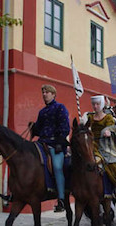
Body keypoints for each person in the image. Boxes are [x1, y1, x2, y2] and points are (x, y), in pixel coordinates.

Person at [83, 95, 116, 199]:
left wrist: (109, 131)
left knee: (112, 162)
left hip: (106, 145)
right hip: (92, 144)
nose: (95, 106)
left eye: (97, 104)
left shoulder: (108, 118)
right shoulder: (90, 117)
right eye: (94, 104)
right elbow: (84, 126)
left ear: (101, 105)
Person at [31, 84, 70, 212]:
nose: (44, 94)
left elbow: (65, 127)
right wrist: (33, 127)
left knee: (58, 167)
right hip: (42, 142)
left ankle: (61, 199)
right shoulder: (42, 112)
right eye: (43, 92)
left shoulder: (60, 108)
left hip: (55, 144)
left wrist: (59, 142)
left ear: (53, 94)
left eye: (47, 92)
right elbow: (39, 129)